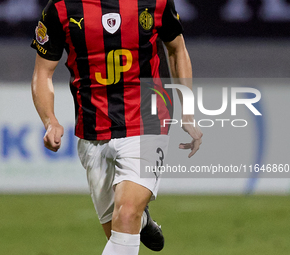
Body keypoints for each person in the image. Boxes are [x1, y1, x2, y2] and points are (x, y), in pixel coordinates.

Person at [31, 0, 203, 254]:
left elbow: (177, 49)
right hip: (93, 129)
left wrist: (187, 110)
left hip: (148, 119)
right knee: (119, 232)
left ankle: (137, 217)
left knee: (126, 216)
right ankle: (143, 221)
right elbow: (42, 73)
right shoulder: (61, 8)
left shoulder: (155, 2)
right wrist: (50, 121)